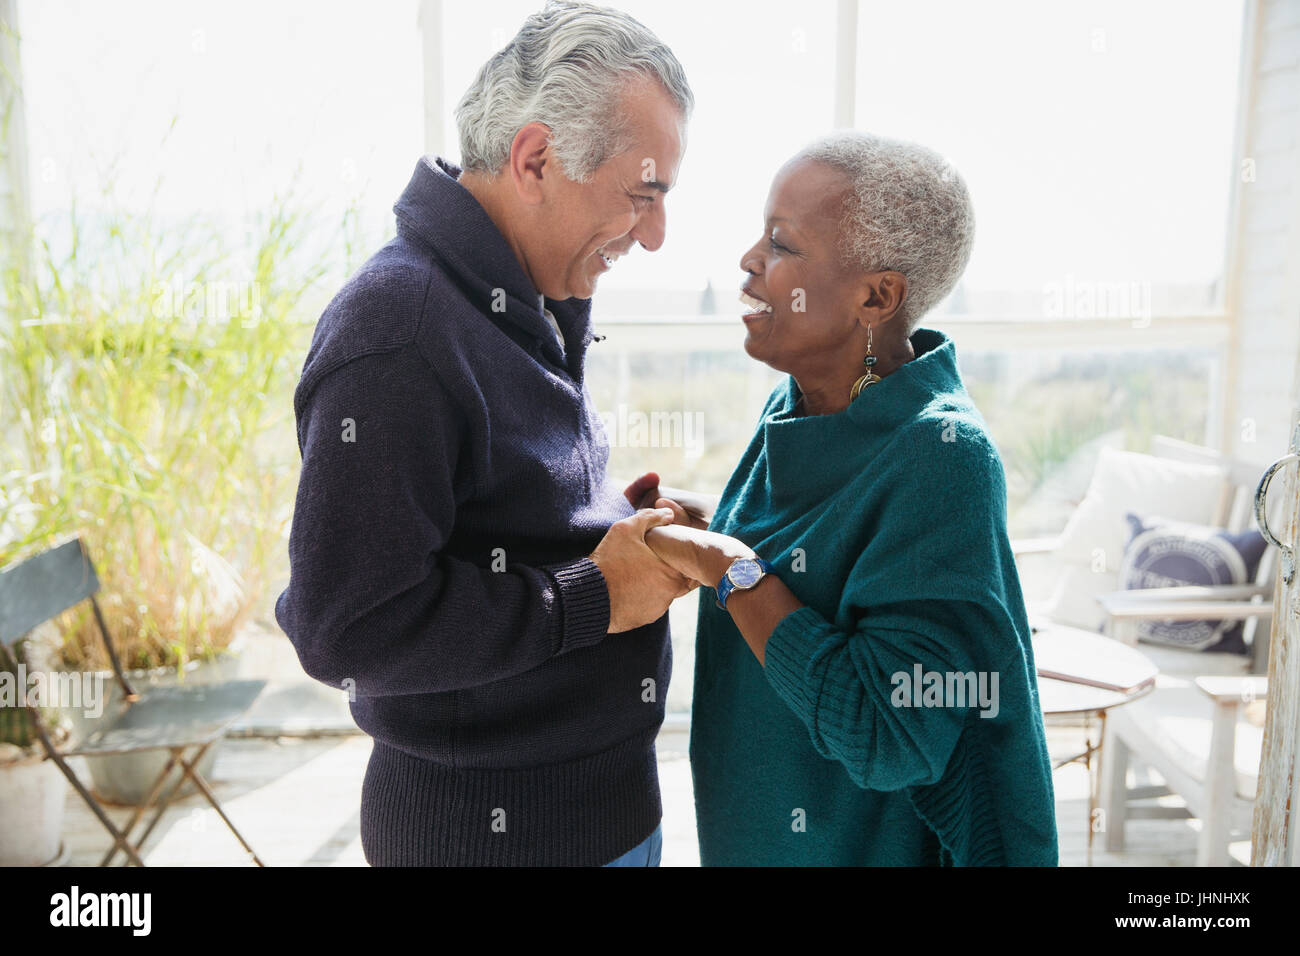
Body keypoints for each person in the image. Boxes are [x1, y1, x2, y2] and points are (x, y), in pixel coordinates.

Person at [274, 0, 695, 866]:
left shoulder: (526, 291)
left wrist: (609, 523)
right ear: (536, 158)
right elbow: (347, 630)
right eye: (642, 195)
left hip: (605, 812)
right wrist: (596, 592)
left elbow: (493, 516)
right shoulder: (397, 331)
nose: (655, 236)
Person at [642, 131, 1060, 865]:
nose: (747, 262)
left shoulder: (943, 457)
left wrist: (727, 566)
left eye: (781, 244)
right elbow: (822, 562)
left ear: (876, 296)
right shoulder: (797, 407)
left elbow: (889, 728)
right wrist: (706, 522)